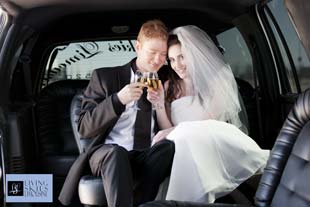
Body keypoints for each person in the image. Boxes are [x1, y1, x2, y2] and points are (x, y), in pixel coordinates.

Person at [146, 25, 270, 203]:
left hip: (213, 140)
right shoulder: (169, 86)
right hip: (182, 146)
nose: (177, 65)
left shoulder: (217, 81)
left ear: (194, 54)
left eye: (182, 57)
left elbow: (207, 122)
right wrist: (158, 104)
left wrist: (172, 131)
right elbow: (168, 130)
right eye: (172, 60)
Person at [58, 19, 175, 207]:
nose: (157, 60)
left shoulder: (166, 79)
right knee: (116, 153)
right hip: (108, 153)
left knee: (167, 148)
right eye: (152, 53)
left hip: (145, 154)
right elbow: (84, 127)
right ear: (138, 47)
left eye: (163, 54)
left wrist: (159, 103)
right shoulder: (105, 77)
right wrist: (118, 99)